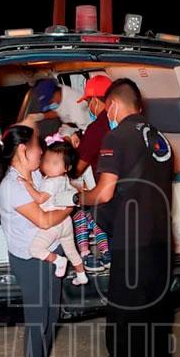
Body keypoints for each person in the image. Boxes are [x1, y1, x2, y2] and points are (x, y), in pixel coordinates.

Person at [77, 78, 175, 357]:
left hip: (134, 245)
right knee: (156, 318)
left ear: (113, 106)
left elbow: (103, 193)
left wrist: (79, 197)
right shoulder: (158, 138)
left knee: (129, 322)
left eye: (105, 109)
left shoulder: (116, 136)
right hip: (162, 243)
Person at [0, 124, 74, 357]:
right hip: (31, 260)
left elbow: (54, 193)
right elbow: (45, 219)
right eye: (37, 145)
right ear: (23, 150)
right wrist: (71, 207)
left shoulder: (36, 174)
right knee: (38, 320)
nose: (42, 150)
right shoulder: (13, 187)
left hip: (49, 253)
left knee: (51, 316)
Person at [24, 135, 89, 286]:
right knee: (71, 249)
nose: (48, 165)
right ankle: (81, 274)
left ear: (67, 167)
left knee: (35, 249)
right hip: (66, 222)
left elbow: (40, 199)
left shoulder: (50, 182)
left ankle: (59, 261)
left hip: (53, 224)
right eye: (46, 160)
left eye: (54, 163)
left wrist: (27, 185)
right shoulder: (64, 178)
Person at [72, 75, 114, 273]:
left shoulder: (95, 129)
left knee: (84, 211)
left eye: (89, 103)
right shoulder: (124, 123)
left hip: (107, 198)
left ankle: (84, 254)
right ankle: (107, 253)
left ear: (96, 101)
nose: (89, 108)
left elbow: (77, 169)